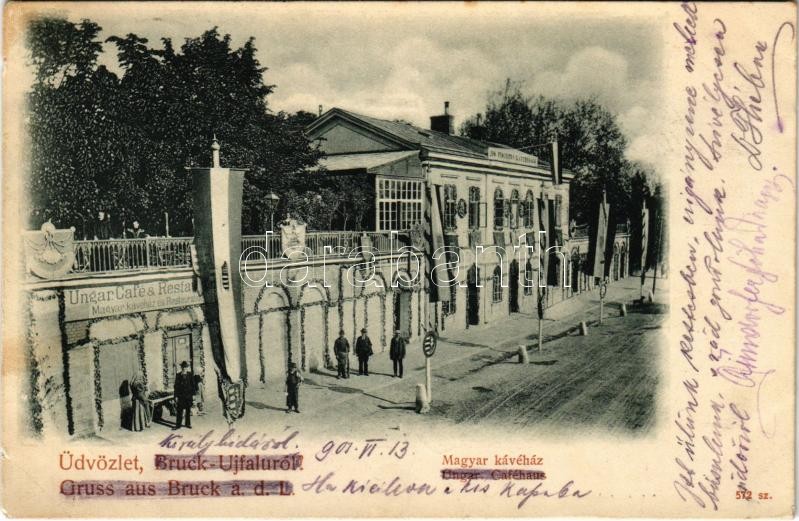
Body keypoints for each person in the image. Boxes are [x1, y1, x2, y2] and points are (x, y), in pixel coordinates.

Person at [173, 361, 194, 429]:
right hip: (181, 396)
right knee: (179, 410)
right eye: (183, 367)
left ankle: (188, 424)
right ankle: (178, 425)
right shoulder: (178, 375)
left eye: (185, 367)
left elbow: (193, 385)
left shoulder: (190, 375)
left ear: (187, 367)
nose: (184, 368)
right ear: (181, 367)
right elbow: (176, 386)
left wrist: (193, 395)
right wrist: (175, 396)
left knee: (188, 410)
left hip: (188, 395)